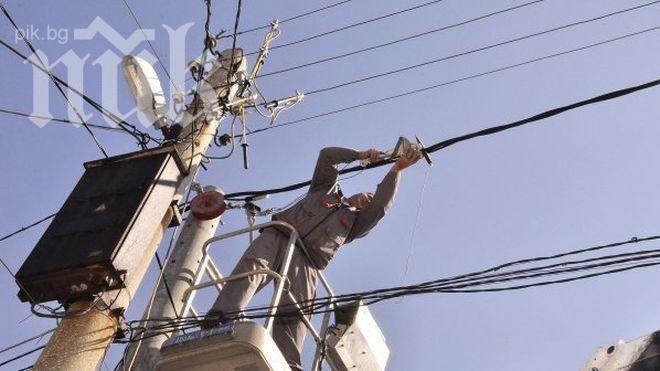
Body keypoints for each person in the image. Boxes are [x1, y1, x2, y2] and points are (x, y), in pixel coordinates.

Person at [204, 146, 422, 370]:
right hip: (279, 235)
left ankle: (288, 364)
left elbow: (380, 207)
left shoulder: (354, 225)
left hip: (308, 262)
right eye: (367, 193)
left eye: (372, 197)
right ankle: (221, 319)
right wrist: (360, 155)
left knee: (296, 311)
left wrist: (397, 169)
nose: (369, 198)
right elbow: (327, 156)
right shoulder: (325, 189)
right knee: (252, 270)